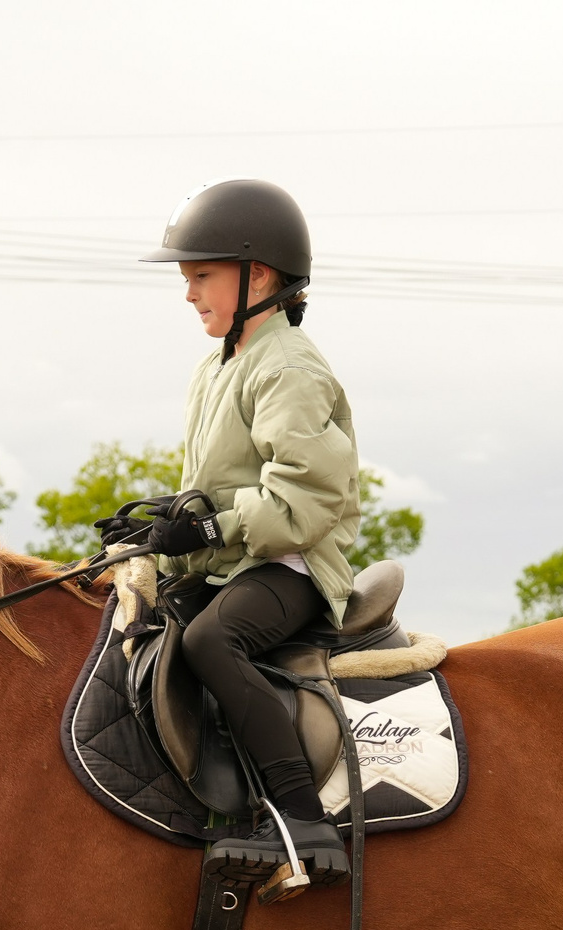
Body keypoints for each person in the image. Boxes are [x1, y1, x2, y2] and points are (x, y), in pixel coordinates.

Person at [136, 180, 361, 892]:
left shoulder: (288, 365)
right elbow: (221, 481)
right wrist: (168, 521)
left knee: (211, 641)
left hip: (291, 564)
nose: (189, 293)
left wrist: (209, 524)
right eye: (186, 278)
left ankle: (301, 819)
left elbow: (302, 496)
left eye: (200, 275)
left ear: (256, 273)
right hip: (237, 560)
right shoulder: (221, 366)